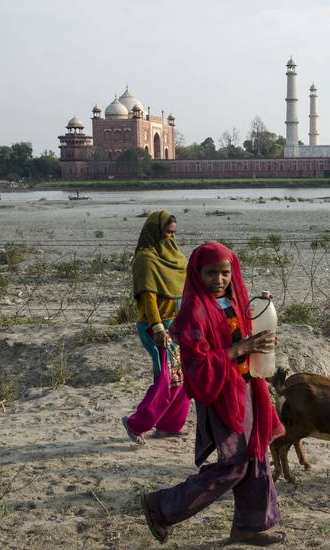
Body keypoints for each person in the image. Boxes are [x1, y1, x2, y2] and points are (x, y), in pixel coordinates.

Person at [141, 241, 285, 546]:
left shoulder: (236, 300)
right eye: (211, 273)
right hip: (221, 394)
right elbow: (197, 362)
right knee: (234, 464)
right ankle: (162, 506)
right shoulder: (194, 311)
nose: (218, 280)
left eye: (224, 273)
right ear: (197, 273)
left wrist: (258, 339)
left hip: (246, 387)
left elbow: (245, 337)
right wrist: (241, 348)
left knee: (257, 453)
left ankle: (251, 525)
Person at [122, 211, 190, 445]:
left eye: (174, 233)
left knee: (181, 377)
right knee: (165, 377)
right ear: (155, 232)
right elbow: (148, 298)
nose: (171, 238)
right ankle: (136, 423)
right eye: (167, 233)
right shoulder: (145, 259)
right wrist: (159, 328)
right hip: (156, 326)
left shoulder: (175, 258)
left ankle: (169, 425)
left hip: (176, 324)